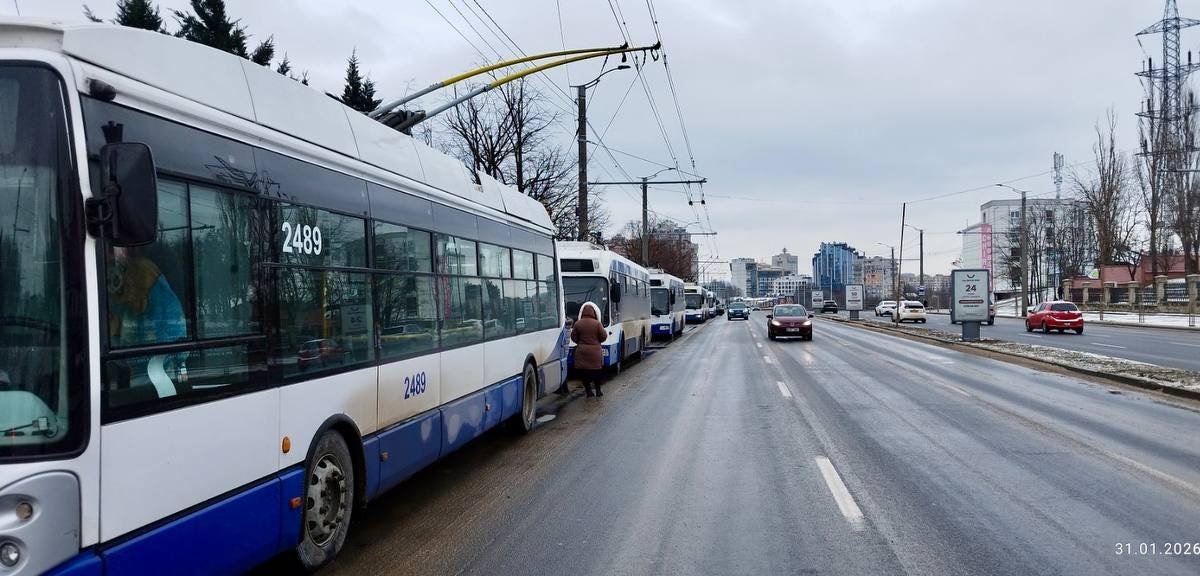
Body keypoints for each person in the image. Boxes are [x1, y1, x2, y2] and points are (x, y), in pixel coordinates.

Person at [570, 301, 608, 398]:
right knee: (597, 373)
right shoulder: (597, 324)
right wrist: (597, 341)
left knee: (584, 374)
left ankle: (588, 392)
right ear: (594, 312)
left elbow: (573, 337)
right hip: (595, 353)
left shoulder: (577, 324)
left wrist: (580, 342)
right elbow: (604, 337)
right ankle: (598, 391)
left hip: (582, 352)